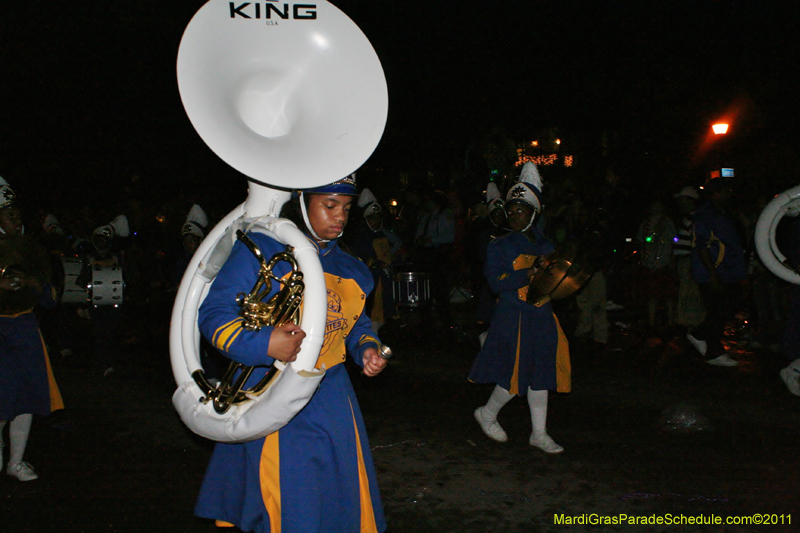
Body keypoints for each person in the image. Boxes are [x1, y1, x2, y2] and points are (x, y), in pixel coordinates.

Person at [194, 174, 389, 533]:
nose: (340, 217)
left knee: (334, 497)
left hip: (332, 395)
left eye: (346, 208)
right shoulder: (263, 248)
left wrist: (367, 349)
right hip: (271, 389)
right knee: (286, 497)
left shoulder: (353, 268)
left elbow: (354, 325)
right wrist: (264, 343)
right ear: (302, 203)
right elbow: (213, 316)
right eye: (329, 206)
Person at [469, 162, 571, 454]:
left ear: (533, 213)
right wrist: (525, 274)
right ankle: (487, 413)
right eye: (510, 211)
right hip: (513, 316)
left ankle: (539, 433)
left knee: (541, 373)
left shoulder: (546, 244)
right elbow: (494, 283)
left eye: (520, 211)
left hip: (541, 315)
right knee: (514, 374)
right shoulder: (498, 246)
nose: (513, 216)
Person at [0, 176, 65, 481]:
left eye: (17, 213)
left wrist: (33, 283)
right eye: (8, 214)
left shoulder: (32, 249)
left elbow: (51, 298)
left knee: (26, 396)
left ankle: (16, 461)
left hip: (25, 326)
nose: (15, 219)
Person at [686, 178, 747, 366]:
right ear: (715, 193)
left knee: (725, 309)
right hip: (712, 273)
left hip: (728, 272)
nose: (729, 194)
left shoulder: (723, 214)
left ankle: (698, 334)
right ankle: (714, 351)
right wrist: (712, 274)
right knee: (717, 310)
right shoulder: (705, 215)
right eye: (725, 191)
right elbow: (701, 245)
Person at [351, 188, 402, 335]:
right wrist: (378, 265)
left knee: (383, 315)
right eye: (373, 218)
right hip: (371, 282)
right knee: (372, 315)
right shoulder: (361, 237)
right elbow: (361, 260)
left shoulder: (381, 233)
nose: (376, 221)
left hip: (384, 280)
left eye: (378, 217)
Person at [633, 199, 678, 332]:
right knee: (652, 295)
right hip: (649, 265)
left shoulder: (667, 223)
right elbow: (641, 242)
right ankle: (651, 324)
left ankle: (670, 324)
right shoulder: (646, 224)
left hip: (665, 264)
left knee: (668, 295)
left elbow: (673, 242)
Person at [672, 186, 705, 329]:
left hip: (690, 261)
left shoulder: (695, 218)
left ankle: (693, 328)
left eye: (682, 200)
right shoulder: (689, 218)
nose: (679, 203)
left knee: (690, 296)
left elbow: (698, 243)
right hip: (687, 261)